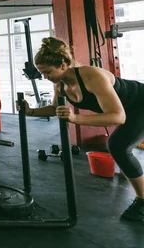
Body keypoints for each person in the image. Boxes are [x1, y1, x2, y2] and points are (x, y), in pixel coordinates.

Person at [20, 37, 144, 222]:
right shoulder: (59, 85)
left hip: (140, 103)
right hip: (129, 109)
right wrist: (29, 111)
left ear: (63, 64)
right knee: (119, 146)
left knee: (118, 145)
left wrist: (75, 118)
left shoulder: (90, 76)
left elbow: (118, 116)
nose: (45, 77)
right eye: (42, 73)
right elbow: (55, 109)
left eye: (47, 72)